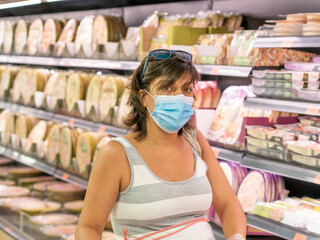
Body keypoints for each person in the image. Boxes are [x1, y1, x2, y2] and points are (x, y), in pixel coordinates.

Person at [75, 49, 247, 240]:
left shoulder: (195, 141)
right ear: (143, 97)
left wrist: (236, 237)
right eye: (167, 88)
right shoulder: (117, 154)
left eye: (186, 89)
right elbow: (88, 227)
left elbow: (228, 205)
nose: (179, 97)